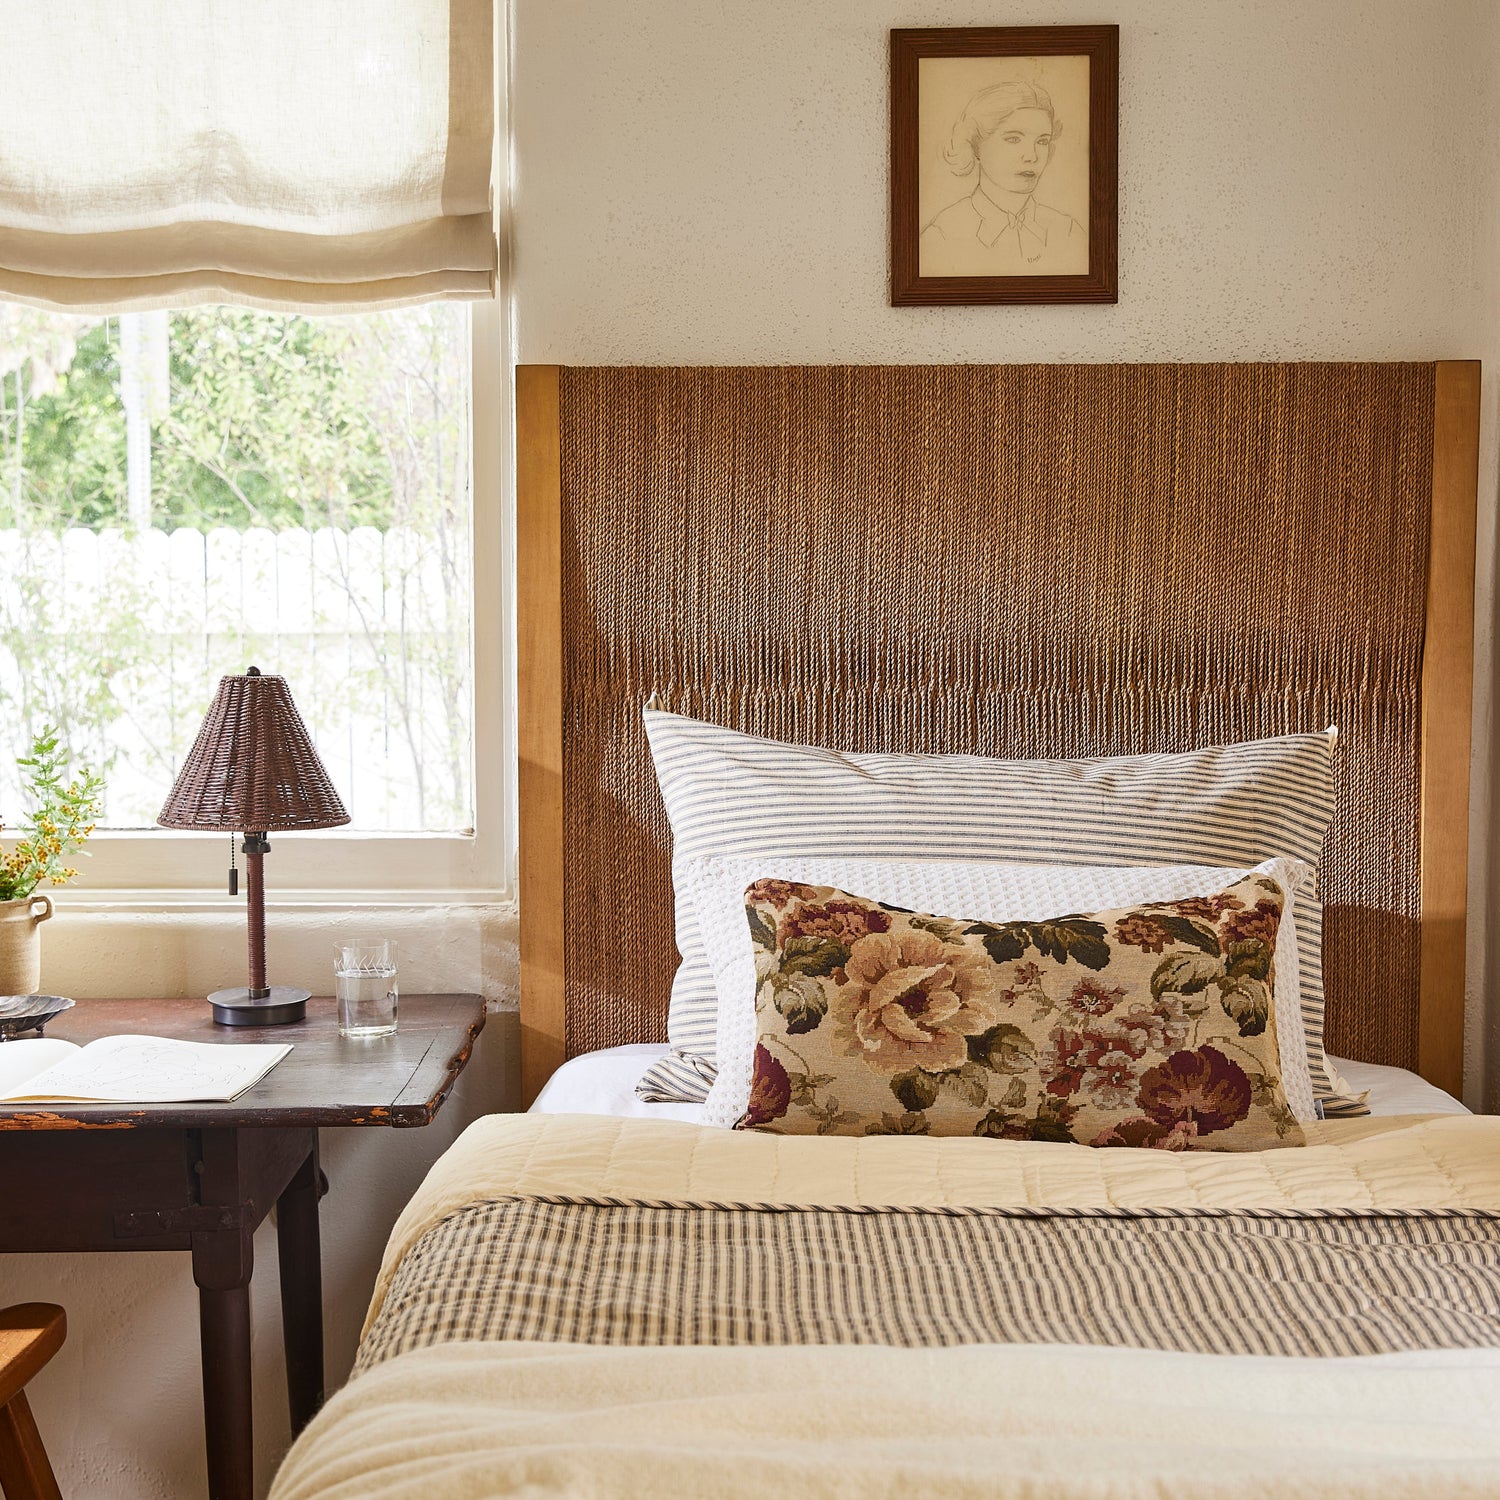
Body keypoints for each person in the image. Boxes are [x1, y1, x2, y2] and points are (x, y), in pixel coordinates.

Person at [920, 80, 1086, 276]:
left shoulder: (1068, 231)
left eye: (1042, 141)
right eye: (1013, 139)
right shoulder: (942, 235)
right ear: (976, 144)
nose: (1031, 156)